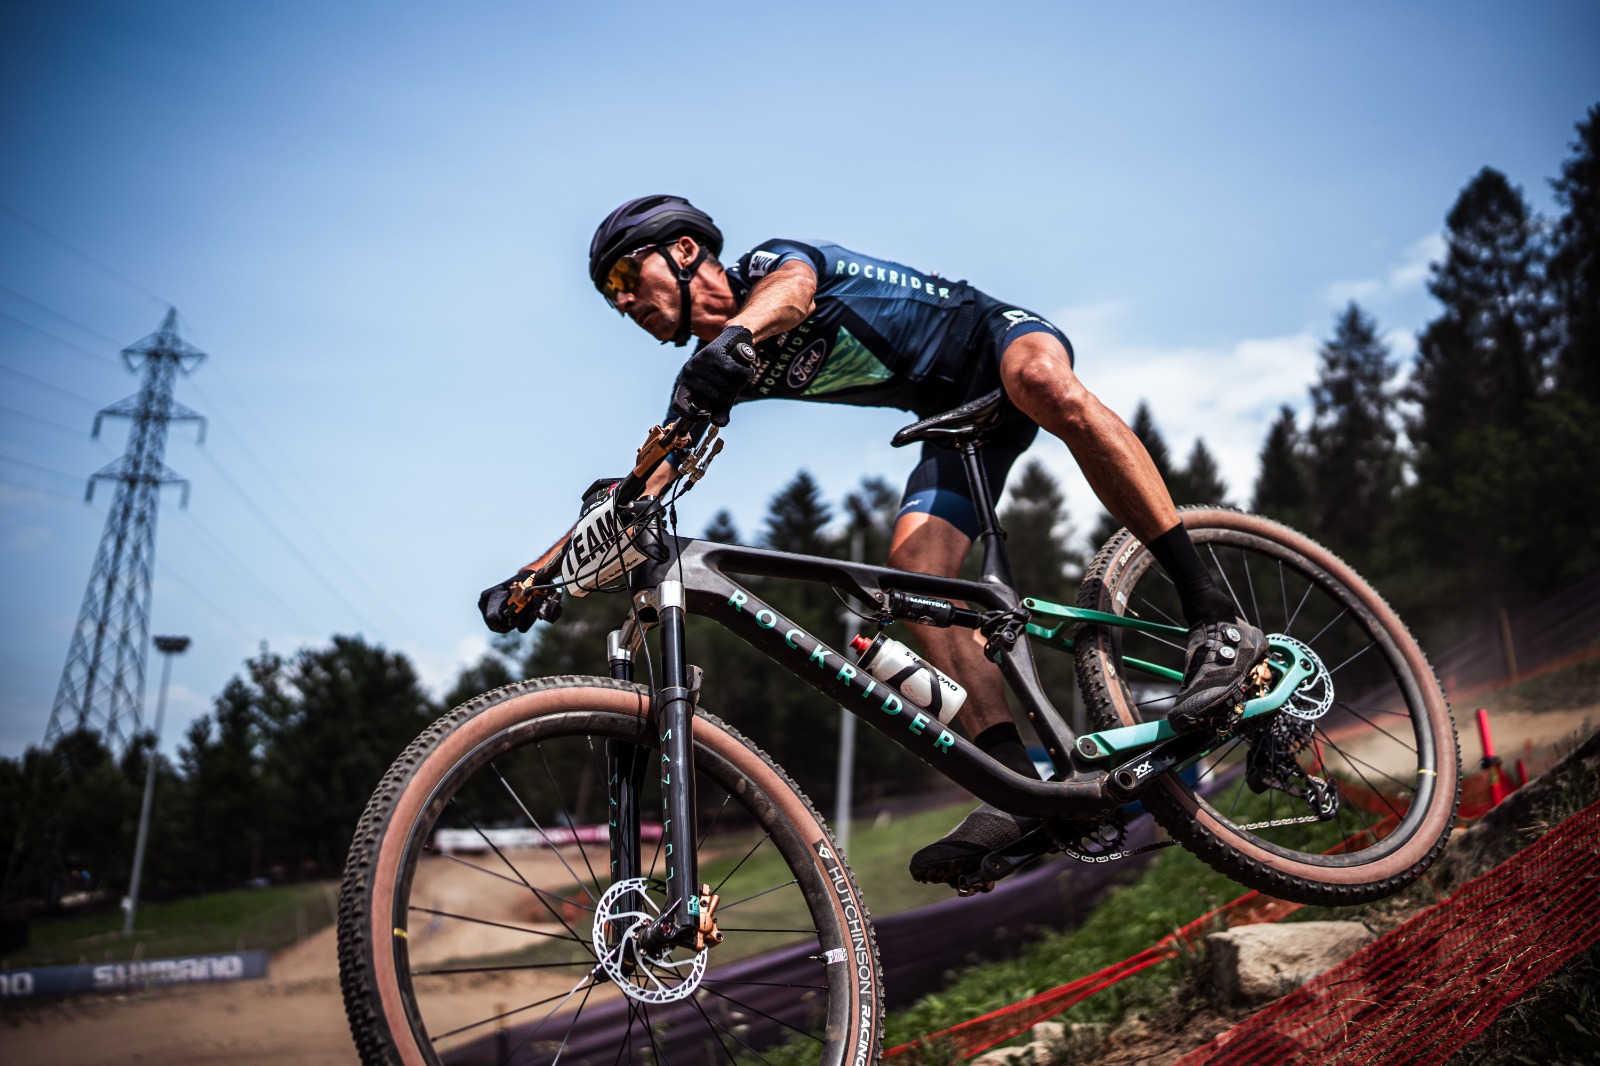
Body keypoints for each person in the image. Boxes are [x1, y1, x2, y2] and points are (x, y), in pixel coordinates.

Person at [479, 195, 1266, 889]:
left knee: (1048, 386)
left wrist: (735, 340)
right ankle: (1016, 786)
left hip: (997, 342)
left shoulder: (768, 269)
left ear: (684, 253)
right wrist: (538, 575)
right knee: (917, 576)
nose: (622, 304)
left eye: (625, 280)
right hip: (947, 420)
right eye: (610, 298)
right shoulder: (719, 368)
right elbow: (644, 479)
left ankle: (1214, 612)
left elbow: (794, 294)